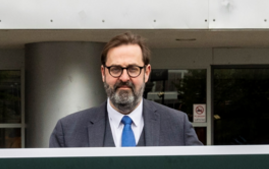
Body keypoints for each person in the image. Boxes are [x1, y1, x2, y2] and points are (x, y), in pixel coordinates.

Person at [49, 32, 202, 148]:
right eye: (115, 69)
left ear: (147, 72)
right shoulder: (68, 132)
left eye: (132, 69)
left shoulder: (178, 126)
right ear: (103, 73)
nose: (123, 77)